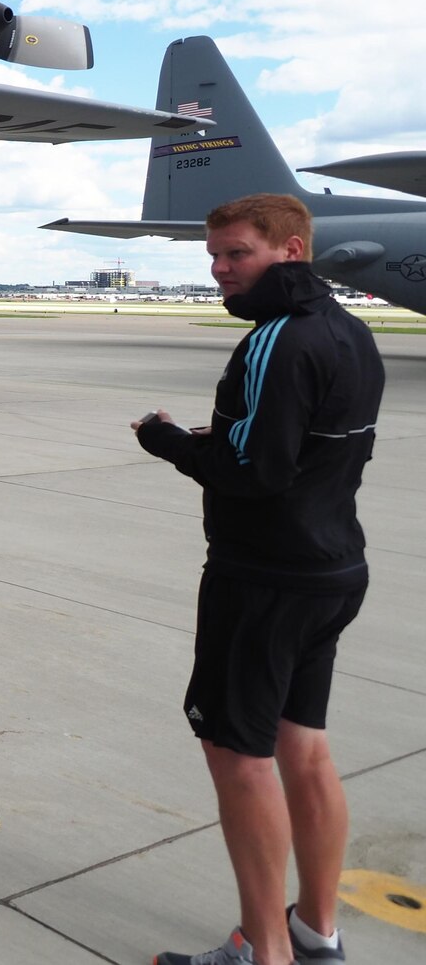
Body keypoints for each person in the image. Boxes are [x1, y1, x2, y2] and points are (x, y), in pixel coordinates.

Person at [136, 194, 380, 965]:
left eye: (237, 253)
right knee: (303, 747)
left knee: (238, 755)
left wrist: (168, 440)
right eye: (214, 256)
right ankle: (316, 929)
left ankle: (265, 950)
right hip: (331, 567)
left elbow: (255, 469)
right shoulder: (351, 330)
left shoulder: (279, 336)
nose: (220, 270)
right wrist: (233, 439)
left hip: (265, 577)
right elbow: (306, 448)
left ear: (292, 249)